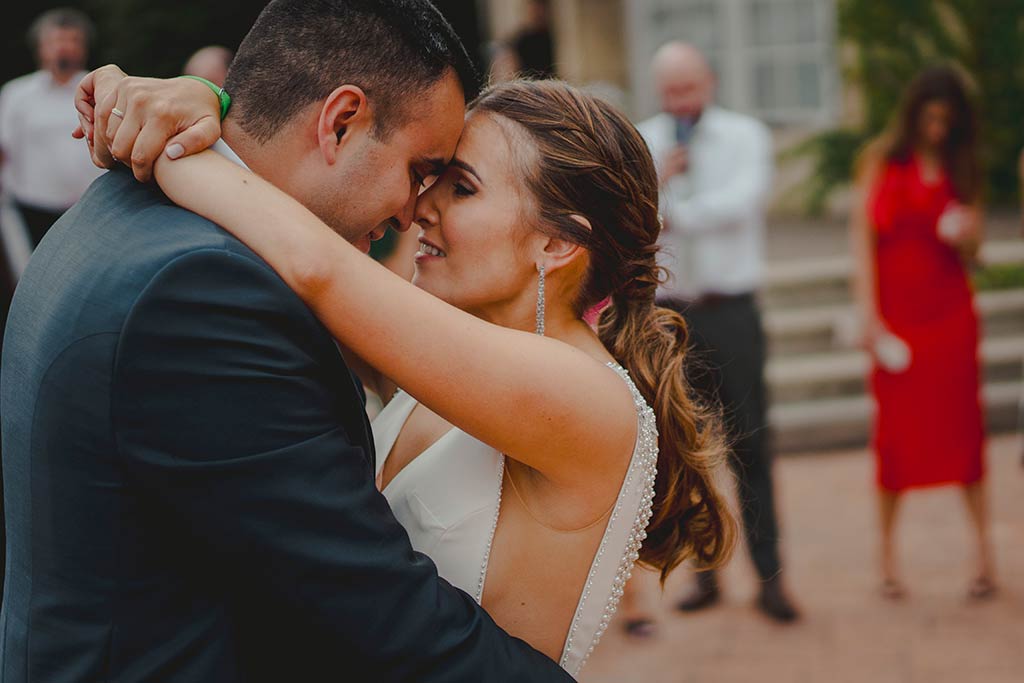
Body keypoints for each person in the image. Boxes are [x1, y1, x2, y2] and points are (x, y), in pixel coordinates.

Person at [76, 72, 738, 678]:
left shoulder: (585, 396)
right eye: (435, 178)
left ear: (557, 244)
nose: (421, 206)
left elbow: (316, 265)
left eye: (463, 187)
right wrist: (211, 103)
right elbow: (294, 251)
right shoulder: (451, 354)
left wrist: (174, 141)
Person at [0, 2, 577, 681]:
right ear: (340, 121)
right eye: (422, 170)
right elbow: (382, 615)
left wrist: (206, 96)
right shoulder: (202, 290)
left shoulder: (134, 204)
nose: (415, 210)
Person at [637, 41, 799, 622]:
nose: (681, 100)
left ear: (708, 81)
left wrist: (674, 210)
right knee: (686, 450)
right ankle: (705, 572)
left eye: (689, 87)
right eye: (671, 89)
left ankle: (770, 577)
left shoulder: (744, 135)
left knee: (751, 444)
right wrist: (656, 181)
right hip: (671, 315)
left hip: (732, 309)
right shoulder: (645, 139)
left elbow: (743, 203)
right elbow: (628, 216)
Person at [849, 65, 994, 600]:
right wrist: (869, 316)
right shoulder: (880, 162)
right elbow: (862, 245)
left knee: (965, 437)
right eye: (930, 118)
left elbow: (977, 255)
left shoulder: (962, 169)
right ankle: (887, 559)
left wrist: (967, 236)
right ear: (913, 114)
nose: (937, 129)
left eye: (947, 121)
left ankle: (984, 555)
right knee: (896, 442)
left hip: (951, 317)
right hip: (899, 324)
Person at [0, 8, 102, 248]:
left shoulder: (101, 90)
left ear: (84, 47)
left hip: (92, 209)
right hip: (32, 210)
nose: (64, 47)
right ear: (40, 47)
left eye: (72, 40)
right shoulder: (17, 94)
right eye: (56, 41)